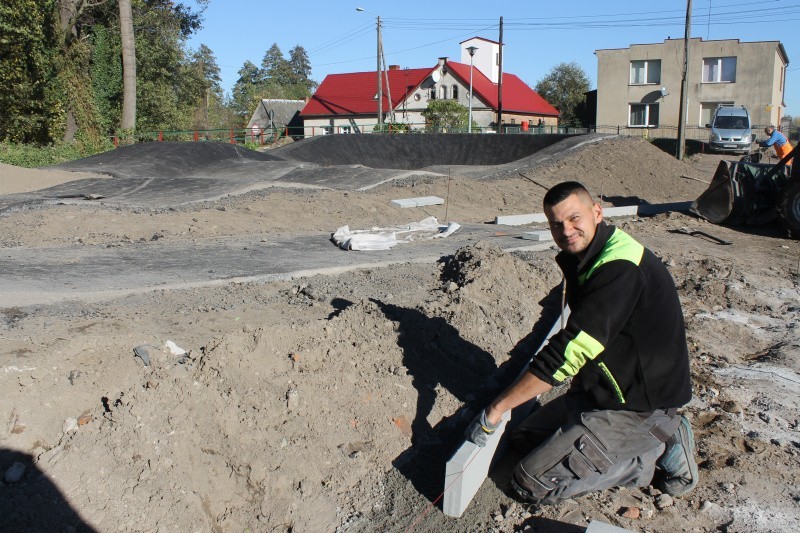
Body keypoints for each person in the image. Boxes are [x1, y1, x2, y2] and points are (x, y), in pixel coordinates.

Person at [466, 181, 698, 504]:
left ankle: (653, 454)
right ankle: (648, 436)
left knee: (529, 482)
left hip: (641, 407)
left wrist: (497, 408)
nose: (566, 230)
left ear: (597, 212)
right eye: (556, 224)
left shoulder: (620, 269)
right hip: (606, 391)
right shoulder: (590, 255)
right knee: (522, 440)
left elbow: (569, 351)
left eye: (575, 218)